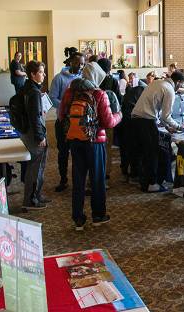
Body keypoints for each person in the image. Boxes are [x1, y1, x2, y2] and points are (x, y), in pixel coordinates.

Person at [58, 62, 122, 230]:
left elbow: (61, 114)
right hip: (95, 142)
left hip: (75, 139)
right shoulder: (99, 94)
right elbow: (108, 122)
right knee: (97, 179)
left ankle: (78, 218)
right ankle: (98, 215)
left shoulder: (70, 91)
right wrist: (119, 115)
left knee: (78, 179)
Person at [131, 71, 184, 192]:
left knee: (143, 153)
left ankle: (144, 182)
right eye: (181, 85)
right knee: (152, 153)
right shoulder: (170, 90)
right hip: (146, 121)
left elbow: (160, 114)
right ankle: (152, 184)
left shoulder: (157, 83)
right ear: (178, 82)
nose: (179, 88)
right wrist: (179, 127)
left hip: (135, 119)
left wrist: (166, 126)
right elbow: (166, 116)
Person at [50, 53, 85, 192]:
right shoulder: (59, 78)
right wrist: (67, 107)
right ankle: (63, 179)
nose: (80, 66)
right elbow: (52, 98)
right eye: (78, 63)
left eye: (82, 64)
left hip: (78, 122)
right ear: (70, 62)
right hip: (63, 120)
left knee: (78, 152)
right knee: (63, 151)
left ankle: (78, 180)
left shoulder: (82, 78)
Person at [19, 60, 50, 210]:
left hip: (28, 132)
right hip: (34, 134)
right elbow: (35, 117)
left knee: (37, 166)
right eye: (41, 73)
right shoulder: (34, 92)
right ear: (32, 74)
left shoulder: (28, 87)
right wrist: (40, 137)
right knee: (36, 167)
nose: (44, 75)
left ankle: (36, 195)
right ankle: (31, 200)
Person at [97, 58, 123, 183]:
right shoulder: (112, 81)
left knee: (96, 147)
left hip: (95, 119)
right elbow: (118, 101)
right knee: (107, 147)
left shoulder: (94, 81)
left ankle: (95, 173)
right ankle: (106, 175)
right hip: (108, 117)